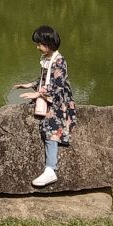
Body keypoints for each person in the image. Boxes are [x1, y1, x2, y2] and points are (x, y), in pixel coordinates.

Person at [12, 24, 75, 187]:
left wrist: (38, 93)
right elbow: (44, 79)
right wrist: (29, 85)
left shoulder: (59, 61)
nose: (37, 46)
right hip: (50, 97)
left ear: (49, 44)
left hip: (58, 101)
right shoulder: (47, 60)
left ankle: (51, 169)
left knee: (50, 129)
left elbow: (57, 85)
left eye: (39, 43)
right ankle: (49, 168)